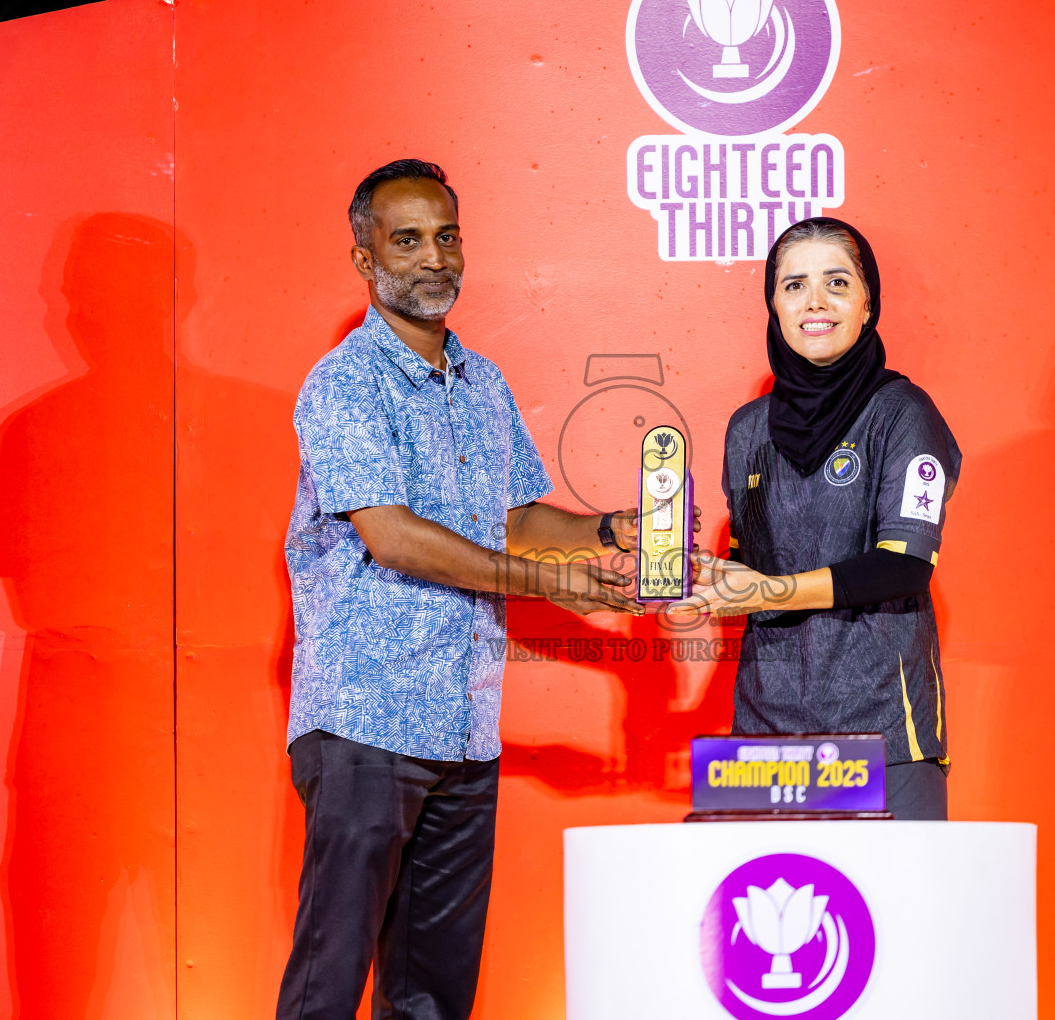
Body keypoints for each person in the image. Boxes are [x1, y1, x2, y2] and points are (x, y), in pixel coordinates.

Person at [278, 159, 650, 1020]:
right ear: (365, 258)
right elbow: (395, 537)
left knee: (434, 998)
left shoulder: (484, 383)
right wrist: (552, 588)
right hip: (366, 721)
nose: (433, 258)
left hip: (463, 729)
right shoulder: (344, 383)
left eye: (446, 237)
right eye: (407, 240)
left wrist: (605, 531)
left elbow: (514, 518)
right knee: (327, 984)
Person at [670, 217, 961, 820]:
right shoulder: (748, 429)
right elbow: (753, 567)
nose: (815, 302)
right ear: (773, 304)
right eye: (794, 285)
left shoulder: (904, 413)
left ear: (867, 303)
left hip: (884, 733)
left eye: (837, 282)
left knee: (893, 887)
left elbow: (903, 566)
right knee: (761, 884)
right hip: (763, 739)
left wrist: (767, 591)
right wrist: (707, 578)